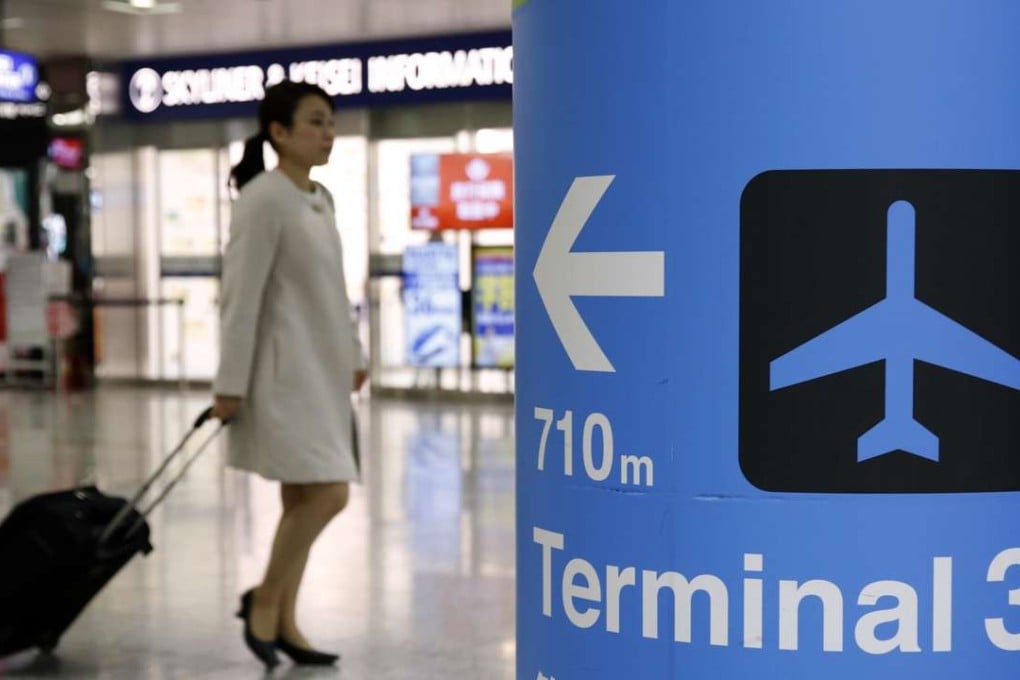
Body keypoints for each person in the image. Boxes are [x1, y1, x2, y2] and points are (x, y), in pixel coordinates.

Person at [211, 80, 368, 670]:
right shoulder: (262, 199)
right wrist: (230, 384)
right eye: (316, 122)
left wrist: (354, 353)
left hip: (324, 372)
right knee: (329, 492)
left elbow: (333, 289)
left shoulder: (318, 198)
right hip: (283, 377)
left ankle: (286, 621)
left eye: (331, 122)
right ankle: (266, 600)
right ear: (279, 132)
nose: (328, 133)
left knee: (305, 494)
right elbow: (241, 296)